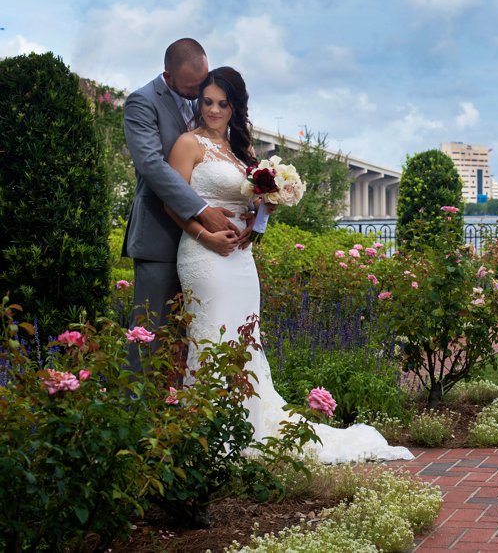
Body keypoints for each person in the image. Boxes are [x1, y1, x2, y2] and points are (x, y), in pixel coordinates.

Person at [165, 66, 413, 464]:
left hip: (242, 261)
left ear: (234, 107)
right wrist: (205, 235)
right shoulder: (187, 144)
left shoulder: (239, 151)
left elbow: (254, 203)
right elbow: (171, 202)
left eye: (222, 104)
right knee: (211, 335)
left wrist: (261, 213)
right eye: (207, 102)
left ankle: (246, 426)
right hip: (203, 255)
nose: (212, 110)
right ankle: (208, 435)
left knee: (245, 342)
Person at [122, 38, 246, 371]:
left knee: (195, 336)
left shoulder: (205, 101)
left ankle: (179, 411)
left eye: (203, 84)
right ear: (168, 75)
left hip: (206, 250)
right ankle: (136, 414)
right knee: (151, 335)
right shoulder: (141, 103)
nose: (202, 97)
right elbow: (152, 165)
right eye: (194, 89)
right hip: (160, 236)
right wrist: (202, 212)